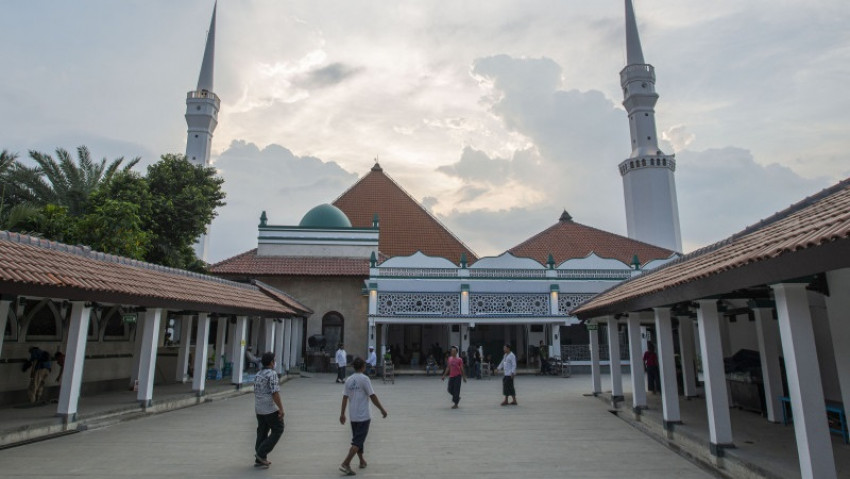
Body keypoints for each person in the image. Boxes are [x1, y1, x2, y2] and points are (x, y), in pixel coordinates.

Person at [339, 357, 388, 476]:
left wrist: (342, 414)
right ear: (363, 367)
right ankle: (346, 463)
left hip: (353, 416)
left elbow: (345, 397)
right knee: (357, 441)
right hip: (363, 416)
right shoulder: (365, 379)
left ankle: (362, 461)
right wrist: (382, 409)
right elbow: (372, 396)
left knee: (358, 440)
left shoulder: (349, 380)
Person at [253, 352, 284, 468]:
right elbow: (275, 392)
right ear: (271, 362)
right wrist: (281, 409)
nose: (275, 363)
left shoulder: (258, 374)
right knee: (278, 428)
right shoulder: (272, 374)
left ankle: (259, 458)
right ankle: (261, 453)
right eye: (274, 361)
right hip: (269, 408)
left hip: (259, 408)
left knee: (262, 431)